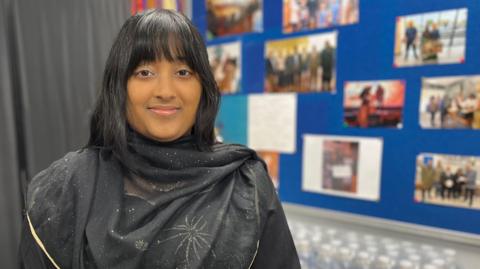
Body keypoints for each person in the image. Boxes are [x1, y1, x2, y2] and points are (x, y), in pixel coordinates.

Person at [20, 9, 300, 269]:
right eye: (145, 72)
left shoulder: (244, 183)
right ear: (118, 85)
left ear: (202, 86)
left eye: (182, 72)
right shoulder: (62, 189)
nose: (165, 90)